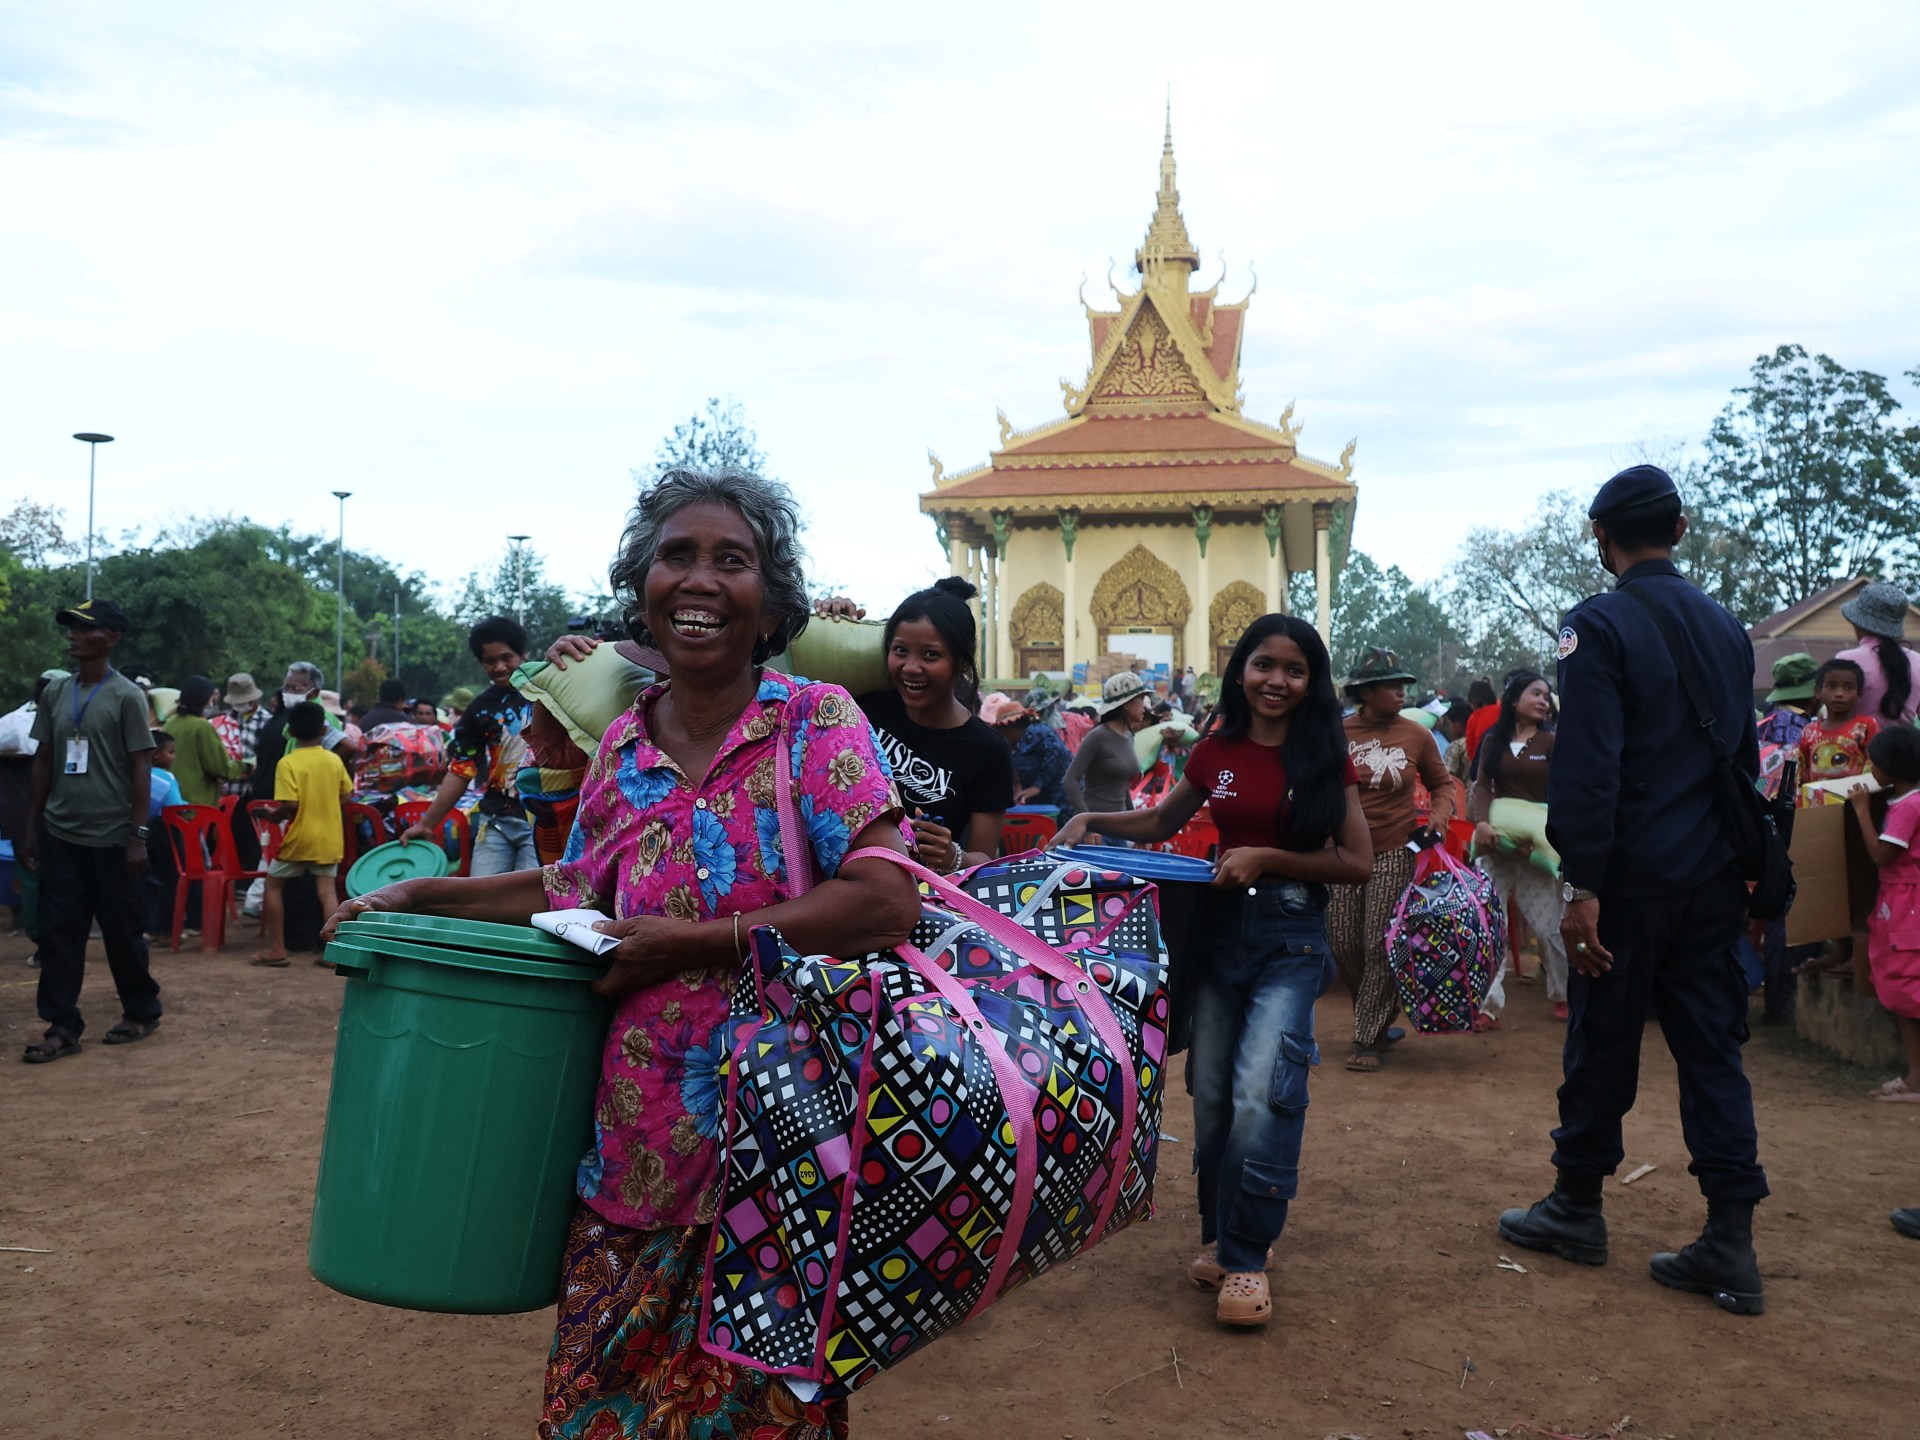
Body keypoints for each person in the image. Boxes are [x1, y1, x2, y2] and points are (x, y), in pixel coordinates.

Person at [321, 467, 919, 1438]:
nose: (700, 579)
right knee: (597, 1412)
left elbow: (883, 900)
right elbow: (573, 892)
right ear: (642, 592)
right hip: (632, 1157)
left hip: (778, 1164)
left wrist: (692, 944)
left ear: (771, 606)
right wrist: (421, 892)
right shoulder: (623, 749)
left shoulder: (813, 723)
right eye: (676, 556)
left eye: (732, 560)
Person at [1498, 463, 1769, 1317]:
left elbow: (1589, 768)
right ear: (1680, 529)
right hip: (1712, 878)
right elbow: (1744, 766)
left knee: (1603, 1041)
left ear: (1600, 536)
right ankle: (1730, 1239)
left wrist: (1581, 884)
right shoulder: (1728, 629)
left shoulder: (1597, 625)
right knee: (1713, 1053)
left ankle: (1577, 1206)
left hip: (1628, 881)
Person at [1050, 614, 1371, 1327]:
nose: (1277, 681)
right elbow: (1162, 822)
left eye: (1294, 670)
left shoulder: (1326, 755)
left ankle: (1248, 1257)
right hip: (1220, 934)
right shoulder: (1215, 750)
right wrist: (1093, 822)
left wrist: (1267, 857)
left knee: (1263, 1087)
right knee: (1215, 1094)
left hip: (1290, 939)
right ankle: (1221, 1235)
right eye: (1264, 665)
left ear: (1312, 681)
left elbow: (1357, 862)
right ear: (1240, 671)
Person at [19, 599, 164, 1063]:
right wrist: (32, 826)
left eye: (86, 628)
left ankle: (140, 1010)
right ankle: (62, 1025)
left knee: (122, 931)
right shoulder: (56, 693)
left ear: (112, 638)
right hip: (62, 833)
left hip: (113, 837)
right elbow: (43, 760)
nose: (74, 636)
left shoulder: (126, 696)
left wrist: (137, 834)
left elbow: (141, 766)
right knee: (60, 932)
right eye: (72, 628)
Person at [1328, 646, 1455, 1073]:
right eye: (1391, 685)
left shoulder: (1416, 735)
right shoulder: (1337, 733)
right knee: (1343, 942)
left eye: (1403, 685)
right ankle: (1379, 1015)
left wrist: (1438, 819)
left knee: (1379, 942)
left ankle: (1367, 1036)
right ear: (1365, 692)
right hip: (1343, 851)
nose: (1401, 692)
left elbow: (1443, 785)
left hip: (1396, 849)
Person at [851, 578, 1012, 871]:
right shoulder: (864, 708)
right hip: (842, 877)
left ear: (961, 662)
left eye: (931, 655)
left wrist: (952, 856)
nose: (911, 667)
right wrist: (832, 617)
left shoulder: (989, 751)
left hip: (919, 892)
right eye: (900, 650)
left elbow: (986, 859)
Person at [1469, 670, 1569, 1025]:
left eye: (1546, 695)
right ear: (1514, 700)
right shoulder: (1492, 739)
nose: (1544, 700)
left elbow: (1561, 793)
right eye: (1536, 693)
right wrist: (1482, 824)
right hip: (1495, 848)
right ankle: (1487, 1005)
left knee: (1549, 928)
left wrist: (1542, 842)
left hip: (1534, 850)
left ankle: (1562, 994)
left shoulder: (1552, 742)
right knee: (1488, 925)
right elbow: (1482, 785)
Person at [402, 618, 538, 875]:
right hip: (495, 821)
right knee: (482, 894)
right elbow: (461, 770)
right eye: (490, 661)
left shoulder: (550, 692)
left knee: (530, 898)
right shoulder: (479, 710)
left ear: (523, 654)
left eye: (507, 657)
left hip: (543, 821)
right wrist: (426, 824)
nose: (499, 667)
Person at [248, 700, 352, 967]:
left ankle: (277, 949)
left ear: (291, 732)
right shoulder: (333, 760)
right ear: (324, 730)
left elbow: (290, 805)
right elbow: (346, 795)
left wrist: (271, 815)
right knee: (327, 892)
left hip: (299, 838)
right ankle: (333, 953)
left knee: (273, 886)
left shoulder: (288, 763)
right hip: (329, 837)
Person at [1849, 726, 1920, 1103]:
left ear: (1890, 768)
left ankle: (1916, 1078)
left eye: (1873, 763)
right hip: (1904, 899)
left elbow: (1881, 855)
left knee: (1907, 988)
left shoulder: (1907, 806)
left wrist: (1862, 810)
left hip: (1907, 902)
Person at [1063, 672, 1153, 839]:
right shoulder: (1097, 736)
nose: (1144, 706)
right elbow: (1070, 780)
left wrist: (1135, 829)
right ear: (1126, 704)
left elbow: (1123, 786)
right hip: (1097, 832)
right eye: (1141, 699)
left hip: (1120, 829)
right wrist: (1086, 825)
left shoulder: (1128, 737)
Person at [1836, 581, 1918, 726]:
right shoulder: (1917, 661)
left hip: (1856, 740)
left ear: (1857, 623)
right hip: (1906, 740)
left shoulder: (1845, 660)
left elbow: (1834, 715)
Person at [163, 675, 252, 806]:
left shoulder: (170, 723)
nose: (211, 704)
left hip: (170, 802)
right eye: (211, 699)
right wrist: (247, 767)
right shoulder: (202, 727)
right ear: (204, 700)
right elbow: (222, 768)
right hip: (196, 806)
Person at [1796, 659, 1879, 792]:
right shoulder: (1809, 731)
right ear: (1818, 692)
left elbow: (1874, 765)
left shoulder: (1866, 726)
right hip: (1818, 800)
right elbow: (1802, 772)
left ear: (1859, 694)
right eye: (1832, 686)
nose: (1839, 693)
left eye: (1848, 687)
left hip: (1855, 799)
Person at [1010, 687, 1073, 811]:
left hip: (1055, 799)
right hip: (1044, 800)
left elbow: (1056, 752)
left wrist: (1038, 786)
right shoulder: (1033, 732)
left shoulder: (1038, 730)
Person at [1462, 677, 1499, 766]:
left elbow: (1470, 747)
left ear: (1473, 700)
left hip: (1483, 764)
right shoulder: (1503, 710)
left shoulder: (1473, 718)